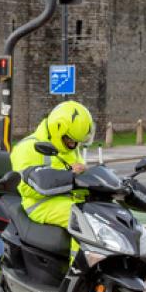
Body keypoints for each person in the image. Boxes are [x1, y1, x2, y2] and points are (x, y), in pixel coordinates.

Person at [10, 100, 94, 256]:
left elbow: (78, 174)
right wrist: (69, 176)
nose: (73, 144)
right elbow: (24, 186)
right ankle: (78, 272)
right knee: (83, 221)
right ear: (58, 129)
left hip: (70, 201)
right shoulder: (27, 148)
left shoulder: (69, 147)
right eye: (70, 139)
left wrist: (85, 173)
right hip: (41, 204)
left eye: (76, 141)